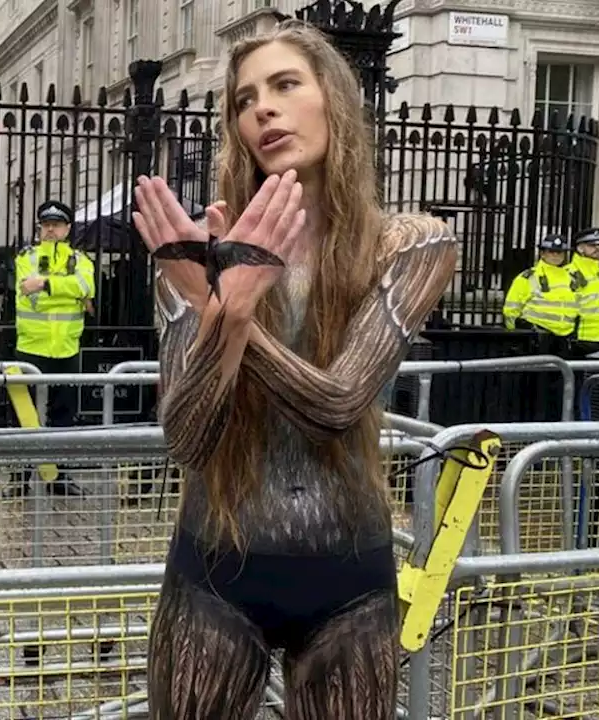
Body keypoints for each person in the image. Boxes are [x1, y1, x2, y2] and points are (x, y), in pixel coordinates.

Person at [133, 20, 458, 718]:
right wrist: (219, 304)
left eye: (285, 85)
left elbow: (338, 404)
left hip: (351, 580)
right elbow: (186, 439)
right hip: (213, 572)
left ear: (332, 99)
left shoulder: (408, 243)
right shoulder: (200, 251)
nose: (264, 110)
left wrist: (232, 315)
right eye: (245, 100)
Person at [10, 199, 96, 497]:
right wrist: (66, 289)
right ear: (40, 228)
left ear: (68, 228)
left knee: (63, 417)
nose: (50, 230)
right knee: (23, 416)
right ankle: (20, 480)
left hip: (66, 349)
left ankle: (58, 480)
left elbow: (86, 288)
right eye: (46, 225)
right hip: (31, 347)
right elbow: (26, 291)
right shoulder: (26, 257)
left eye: (56, 225)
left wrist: (45, 285)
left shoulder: (81, 259)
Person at [502, 233, 576, 357]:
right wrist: (516, 335)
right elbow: (511, 309)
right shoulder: (528, 277)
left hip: (564, 338)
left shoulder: (571, 278)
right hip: (537, 337)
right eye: (551, 252)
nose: (556, 256)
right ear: (542, 254)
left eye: (560, 252)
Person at [567, 226, 599, 358]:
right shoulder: (570, 272)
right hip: (580, 339)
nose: (597, 248)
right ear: (580, 248)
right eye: (591, 245)